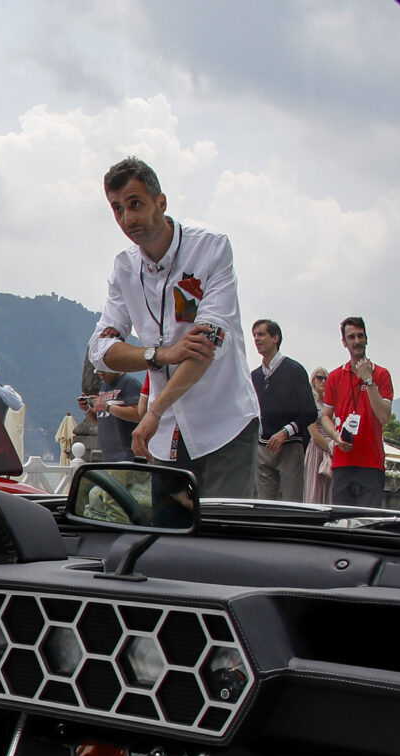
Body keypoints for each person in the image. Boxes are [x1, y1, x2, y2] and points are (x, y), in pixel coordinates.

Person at [85, 158, 260, 497]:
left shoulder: (211, 250)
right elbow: (100, 351)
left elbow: (205, 348)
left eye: (135, 204)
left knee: (222, 531)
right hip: (165, 437)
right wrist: (160, 354)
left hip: (225, 423)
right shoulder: (124, 270)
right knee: (172, 538)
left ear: (160, 202)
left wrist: (154, 410)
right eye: (117, 208)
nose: (128, 219)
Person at [321, 317, 393, 508]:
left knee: (368, 523)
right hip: (343, 461)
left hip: (371, 462)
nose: (357, 341)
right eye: (351, 337)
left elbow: (384, 416)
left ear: (367, 339)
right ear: (344, 342)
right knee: (341, 521)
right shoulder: (335, 377)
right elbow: (326, 415)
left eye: (360, 336)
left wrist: (368, 380)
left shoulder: (382, 375)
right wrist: (336, 437)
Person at [249, 319, 315, 501]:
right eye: (254, 335)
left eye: (261, 334)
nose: (256, 339)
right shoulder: (254, 376)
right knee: (264, 506)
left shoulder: (294, 370)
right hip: (263, 447)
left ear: (275, 338)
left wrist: (286, 432)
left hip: (290, 446)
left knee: (291, 505)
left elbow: (310, 412)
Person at [86, 369, 144, 462]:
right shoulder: (103, 385)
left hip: (127, 454)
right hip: (107, 455)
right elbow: (101, 421)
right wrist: (87, 409)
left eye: (104, 370)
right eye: (99, 371)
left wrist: (108, 407)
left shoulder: (130, 383)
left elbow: (138, 414)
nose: (102, 374)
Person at [304, 367, 339, 504]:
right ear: (313, 380)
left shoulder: (332, 405)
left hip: (332, 449)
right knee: (315, 490)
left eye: (326, 378)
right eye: (319, 377)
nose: (323, 381)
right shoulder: (310, 404)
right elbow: (314, 433)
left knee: (331, 492)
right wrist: (330, 448)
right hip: (317, 449)